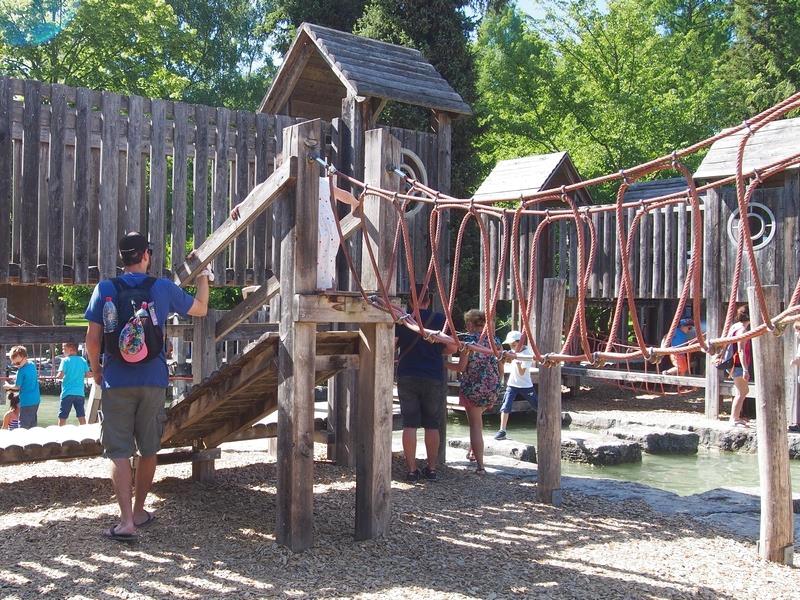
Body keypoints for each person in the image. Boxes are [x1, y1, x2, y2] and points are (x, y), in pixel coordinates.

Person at [85, 232, 210, 542]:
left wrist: (97, 370)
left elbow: (92, 339)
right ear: (145, 256)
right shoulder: (162, 288)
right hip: (153, 379)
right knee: (149, 449)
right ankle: (140, 510)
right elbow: (201, 309)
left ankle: (125, 521)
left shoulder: (105, 289)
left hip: (117, 379)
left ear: (123, 257)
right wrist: (204, 276)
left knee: (119, 453)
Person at [395, 284, 450, 483]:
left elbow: (392, 345)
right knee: (432, 424)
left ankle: (411, 470)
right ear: (429, 300)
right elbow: (452, 347)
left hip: (407, 374)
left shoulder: (403, 320)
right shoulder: (439, 320)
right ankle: (432, 468)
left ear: (410, 301)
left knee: (409, 424)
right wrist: (436, 352)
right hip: (433, 375)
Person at [448, 309, 502, 473]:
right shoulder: (495, 341)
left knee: (475, 426)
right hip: (492, 388)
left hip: (473, 388)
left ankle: (480, 466)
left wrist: (443, 364)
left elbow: (461, 367)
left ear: (470, 324)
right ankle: (472, 451)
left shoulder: (468, 342)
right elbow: (501, 367)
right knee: (478, 420)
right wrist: (497, 383)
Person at [494, 330, 537, 440]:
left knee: (537, 405)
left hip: (525, 385)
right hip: (512, 384)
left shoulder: (527, 354)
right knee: (506, 406)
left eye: (514, 344)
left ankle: (548, 422)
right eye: (511, 345)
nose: (512, 347)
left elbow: (522, 372)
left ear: (520, 342)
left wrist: (517, 362)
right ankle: (502, 430)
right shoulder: (512, 352)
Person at [715, 306, 752, 427]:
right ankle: (734, 419)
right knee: (742, 392)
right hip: (737, 364)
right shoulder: (742, 331)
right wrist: (745, 369)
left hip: (734, 363)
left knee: (742, 391)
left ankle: (737, 417)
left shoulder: (735, 326)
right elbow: (740, 351)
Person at [2, 346, 40, 428]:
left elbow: (17, 387)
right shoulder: (32, 365)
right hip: (36, 399)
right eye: (14, 363)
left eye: (18, 363)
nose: (17, 365)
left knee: (23, 425)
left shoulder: (21, 371)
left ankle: (22, 441)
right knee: (32, 424)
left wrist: (8, 386)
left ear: (25, 357)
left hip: (26, 401)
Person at [56, 342, 91, 426]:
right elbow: (88, 374)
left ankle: (60, 434)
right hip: (79, 393)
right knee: (81, 416)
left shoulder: (65, 361)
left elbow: (60, 376)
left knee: (63, 417)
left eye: (64, 349)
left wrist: (56, 377)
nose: (63, 351)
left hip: (67, 393)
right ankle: (84, 433)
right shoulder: (82, 360)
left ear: (71, 350)